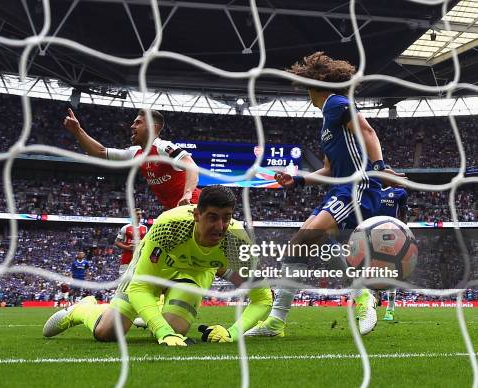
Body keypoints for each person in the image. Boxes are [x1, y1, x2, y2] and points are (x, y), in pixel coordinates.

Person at [246, 52, 405, 337]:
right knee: (298, 247)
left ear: (312, 82)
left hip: (359, 187)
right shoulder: (326, 122)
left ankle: (362, 295)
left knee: (303, 241)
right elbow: (330, 169)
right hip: (339, 188)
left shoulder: (336, 102)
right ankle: (275, 323)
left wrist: (381, 167)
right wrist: (298, 179)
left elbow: (367, 130)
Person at [42, 185, 272, 346]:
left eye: (227, 217)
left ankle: (156, 313)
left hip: (195, 273)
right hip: (155, 271)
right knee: (108, 333)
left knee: (177, 331)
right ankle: (83, 309)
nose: (220, 226)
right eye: (212, 217)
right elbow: (140, 287)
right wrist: (161, 331)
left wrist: (231, 334)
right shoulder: (168, 226)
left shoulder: (238, 240)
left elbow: (262, 298)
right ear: (196, 215)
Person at [63, 108, 200, 209]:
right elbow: (100, 152)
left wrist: (187, 194)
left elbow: (191, 165)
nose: (132, 126)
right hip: (174, 210)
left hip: (193, 204)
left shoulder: (163, 147)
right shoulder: (136, 153)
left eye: (138, 123)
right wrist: (77, 131)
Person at [378, 170, 408, 322]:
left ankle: (390, 308)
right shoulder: (372, 189)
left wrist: (403, 231)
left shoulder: (399, 193)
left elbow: (403, 213)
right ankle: (369, 306)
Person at [114, 208, 148, 275]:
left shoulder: (145, 228)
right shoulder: (125, 228)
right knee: (124, 280)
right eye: (137, 214)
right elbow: (117, 242)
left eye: (140, 214)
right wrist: (127, 247)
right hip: (127, 258)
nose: (139, 216)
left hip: (139, 258)